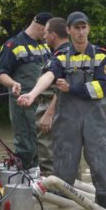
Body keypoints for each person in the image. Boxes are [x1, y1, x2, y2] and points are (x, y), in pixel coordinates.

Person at [17, 11, 106, 209]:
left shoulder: (102, 55)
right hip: (67, 122)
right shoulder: (60, 57)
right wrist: (33, 94)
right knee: (63, 172)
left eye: (83, 27)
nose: (80, 32)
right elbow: (49, 75)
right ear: (68, 30)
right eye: (76, 28)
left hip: (95, 121)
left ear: (88, 28)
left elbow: (100, 88)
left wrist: (71, 88)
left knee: (100, 168)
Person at [0, 12, 53, 169]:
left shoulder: (45, 45)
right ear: (41, 27)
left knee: (45, 149)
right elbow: (1, 74)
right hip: (23, 105)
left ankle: (44, 181)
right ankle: (24, 179)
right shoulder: (13, 45)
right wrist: (13, 83)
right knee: (27, 148)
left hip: (45, 106)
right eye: (48, 32)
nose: (49, 36)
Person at [35, 17, 71, 177]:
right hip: (62, 112)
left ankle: (56, 196)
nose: (44, 37)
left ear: (53, 35)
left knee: (49, 159)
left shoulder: (63, 56)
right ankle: (71, 198)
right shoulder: (71, 53)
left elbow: (63, 88)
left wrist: (49, 114)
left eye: (46, 33)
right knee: (68, 157)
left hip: (54, 110)